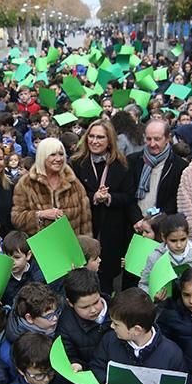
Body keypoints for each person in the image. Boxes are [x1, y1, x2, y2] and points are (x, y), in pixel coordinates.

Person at [72, 119, 133, 291]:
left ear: (109, 141)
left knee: (106, 279)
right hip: (86, 227)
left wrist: (108, 198)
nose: (94, 141)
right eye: (91, 136)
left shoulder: (121, 165)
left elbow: (128, 196)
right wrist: (93, 197)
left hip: (111, 230)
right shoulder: (77, 163)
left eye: (100, 137)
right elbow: (74, 195)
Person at [11, 138, 92, 237]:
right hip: (40, 247)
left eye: (61, 154)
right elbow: (16, 219)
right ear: (42, 156)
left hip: (70, 247)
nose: (58, 159)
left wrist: (85, 247)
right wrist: (40, 214)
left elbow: (85, 221)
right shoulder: (26, 184)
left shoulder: (73, 183)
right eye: (53, 154)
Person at [128, 118, 186, 220]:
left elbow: (175, 201)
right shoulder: (132, 161)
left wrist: (155, 220)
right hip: (135, 224)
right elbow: (128, 195)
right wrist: (137, 219)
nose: (152, 144)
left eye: (157, 139)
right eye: (149, 139)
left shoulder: (179, 166)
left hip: (162, 225)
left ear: (168, 138)